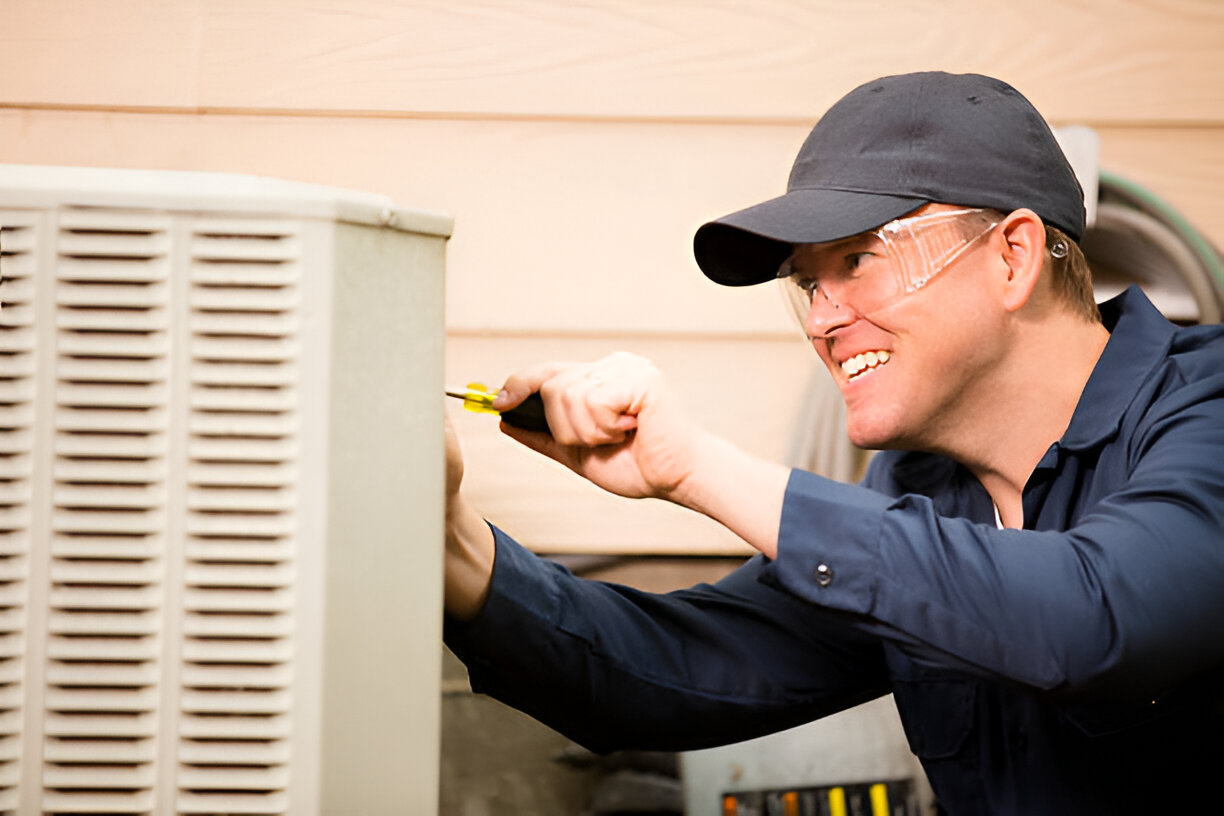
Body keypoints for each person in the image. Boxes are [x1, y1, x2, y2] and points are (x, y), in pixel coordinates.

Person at [441, 71, 1224, 814]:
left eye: (857, 259)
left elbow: (1099, 619)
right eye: (811, 283)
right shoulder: (918, 494)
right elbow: (669, 673)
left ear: (1013, 257)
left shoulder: (1207, 411)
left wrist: (697, 468)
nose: (821, 319)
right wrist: (447, 542)